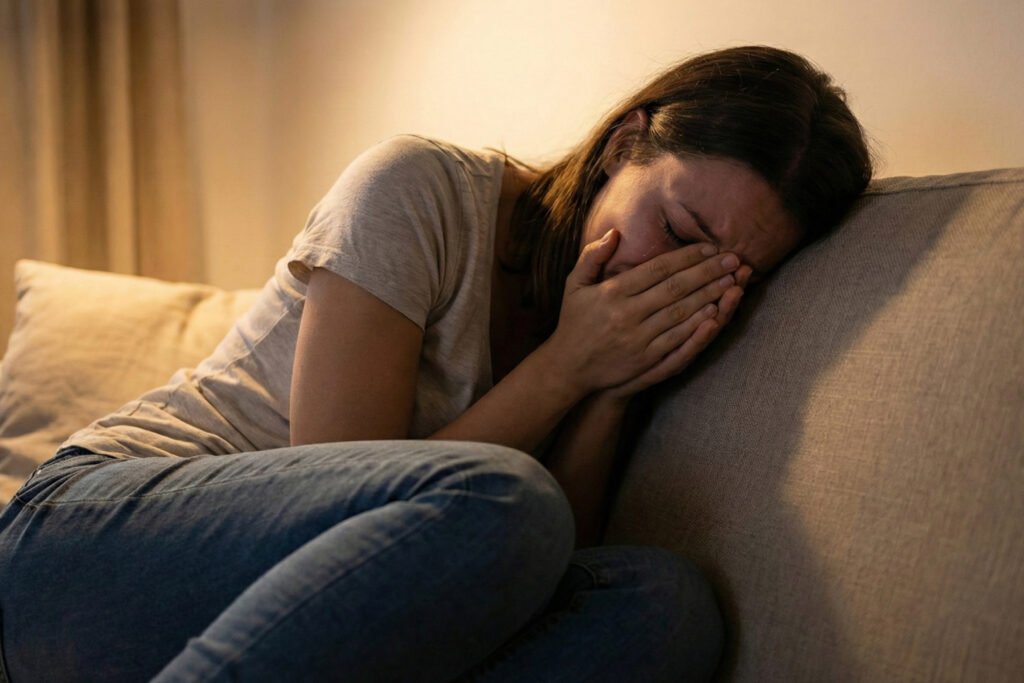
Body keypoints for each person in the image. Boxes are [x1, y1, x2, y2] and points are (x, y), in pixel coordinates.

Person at [0, 45, 872, 682]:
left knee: (664, 603)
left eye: (721, 274)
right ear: (623, 147)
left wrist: (612, 387)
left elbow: (524, 569)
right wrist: (567, 365)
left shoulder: (642, 321)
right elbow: (338, 479)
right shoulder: (416, 188)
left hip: (293, 626)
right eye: (679, 232)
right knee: (506, 500)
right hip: (80, 546)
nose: (667, 279)